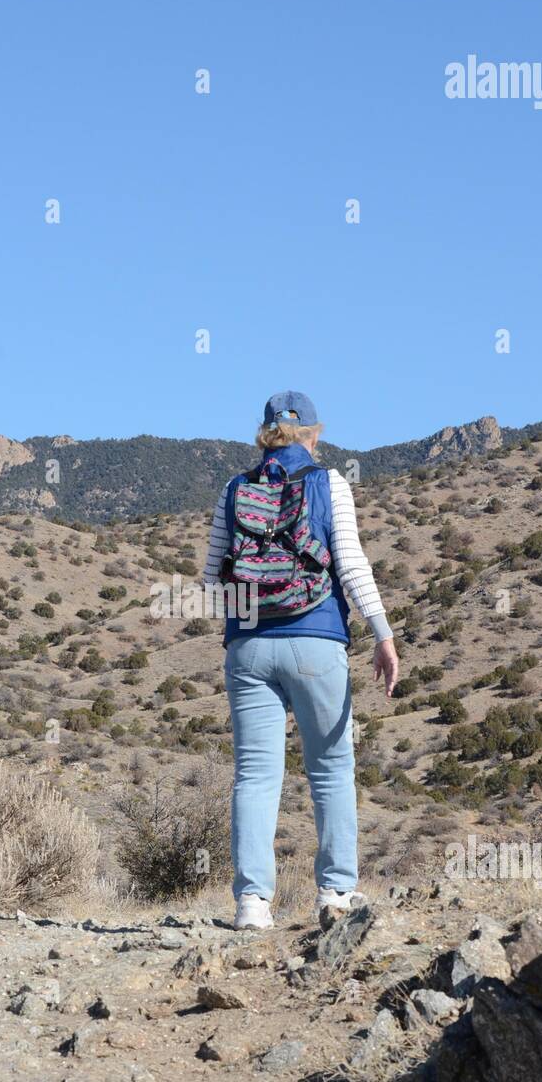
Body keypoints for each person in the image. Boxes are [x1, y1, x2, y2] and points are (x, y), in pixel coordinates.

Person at [203, 390, 399, 930]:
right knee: (332, 770)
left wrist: (250, 615)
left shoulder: (235, 488)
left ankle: (252, 904)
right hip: (317, 639)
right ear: (315, 434)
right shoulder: (328, 482)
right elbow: (352, 564)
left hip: (247, 648)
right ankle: (335, 894)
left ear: (263, 432)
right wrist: (382, 634)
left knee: (256, 777)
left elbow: (208, 579)